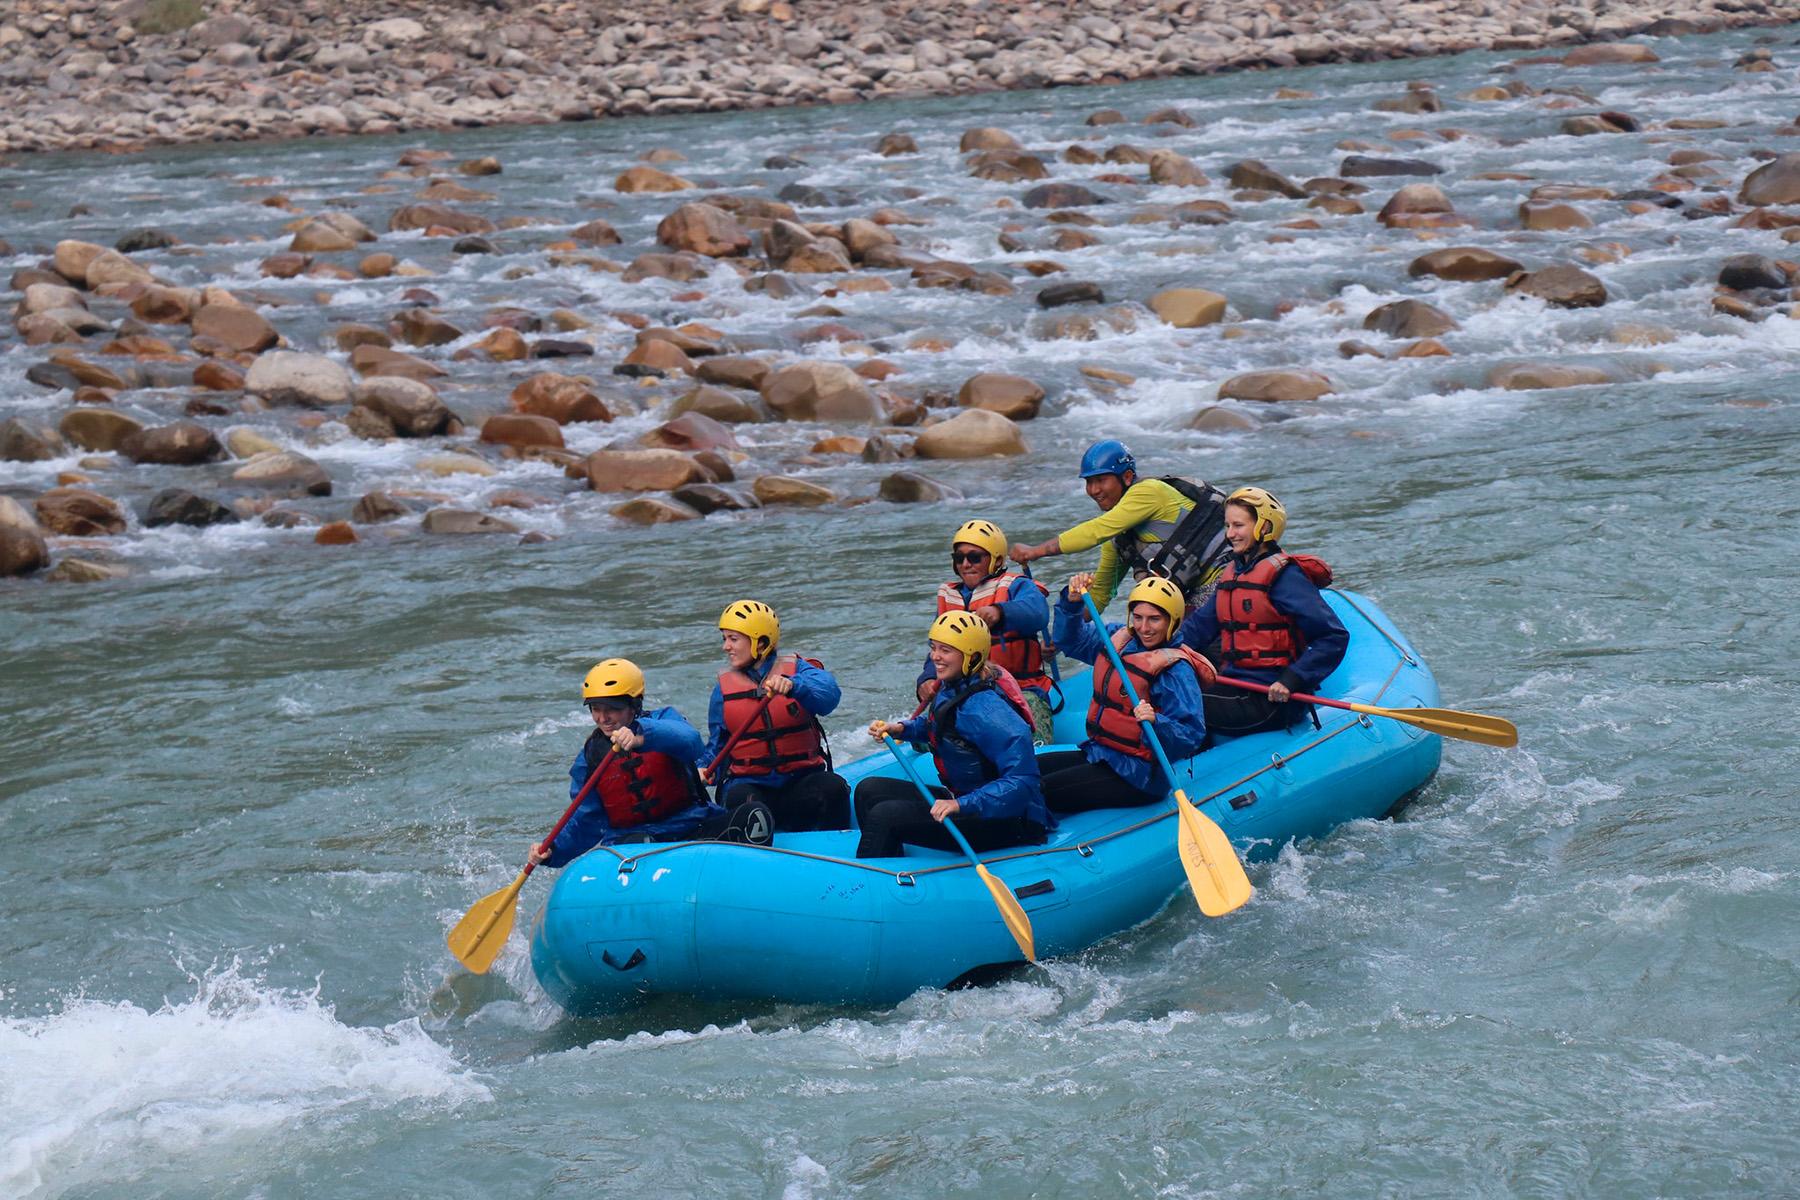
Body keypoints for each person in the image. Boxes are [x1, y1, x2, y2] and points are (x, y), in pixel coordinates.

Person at [859, 612, 1051, 859]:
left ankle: (876, 885)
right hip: (966, 800)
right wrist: (902, 729)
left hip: (1005, 818)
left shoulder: (988, 710)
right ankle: (889, 863)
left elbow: (1023, 782)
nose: (935, 657)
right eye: (934, 647)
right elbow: (943, 726)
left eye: (945, 650)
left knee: (885, 815)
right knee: (869, 790)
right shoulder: (954, 686)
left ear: (971, 657)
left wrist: (960, 805)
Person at [1175, 487, 1348, 737]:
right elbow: (1197, 628)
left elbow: (1333, 637)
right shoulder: (1233, 573)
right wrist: (1154, 650)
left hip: (1272, 699)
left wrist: (1292, 679)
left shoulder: (1285, 578)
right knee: (1168, 689)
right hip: (1235, 685)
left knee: (1177, 702)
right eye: (1227, 526)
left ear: (1264, 527)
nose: (1230, 534)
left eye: (1238, 526)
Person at [1039, 576, 1210, 813]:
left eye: (1154, 619)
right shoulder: (1119, 639)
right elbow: (1070, 641)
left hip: (1139, 776)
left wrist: (1155, 721)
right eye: (1138, 617)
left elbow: (1191, 734)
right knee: (1029, 770)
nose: (1144, 627)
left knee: (1040, 789)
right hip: (1101, 752)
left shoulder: (1176, 670)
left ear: (1173, 621)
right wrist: (1071, 603)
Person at [528, 659, 721, 868]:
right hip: (630, 845)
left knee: (748, 813)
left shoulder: (664, 720)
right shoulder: (590, 757)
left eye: (612, 709)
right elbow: (588, 821)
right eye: (595, 709)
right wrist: (553, 850)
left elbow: (691, 741)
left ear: (634, 705)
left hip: (690, 825)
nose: (602, 718)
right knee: (638, 842)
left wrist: (642, 736)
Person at [1009, 439, 1231, 613]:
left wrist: (1036, 551)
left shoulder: (1149, 491)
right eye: (1089, 482)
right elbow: (1100, 594)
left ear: (1126, 477)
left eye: (1101, 480)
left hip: (1226, 578)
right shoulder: (1118, 540)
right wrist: (1069, 627)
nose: (1094, 490)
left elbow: (1095, 531)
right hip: (1191, 596)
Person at [701, 599, 849, 833]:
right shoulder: (723, 690)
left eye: (734, 639)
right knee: (743, 802)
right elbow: (718, 747)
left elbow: (829, 696)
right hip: (752, 787)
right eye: (724, 639)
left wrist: (793, 685)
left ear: (760, 643)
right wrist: (703, 769)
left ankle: (837, 852)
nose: (726, 647)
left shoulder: (798, 670)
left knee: (834, 787)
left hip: (800, 782)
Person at [920, 518, 1055, 743]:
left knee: (1031, 735)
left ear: (997, 560)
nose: (965, 564)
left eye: (974, 557)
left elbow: (1038, 613)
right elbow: (938, 650)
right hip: (963, 694)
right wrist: (927, 678)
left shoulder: (1016, 586)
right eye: (959, 558)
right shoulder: (949, 596)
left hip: (1021, 690)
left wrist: (1001, 612)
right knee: (923, 737)